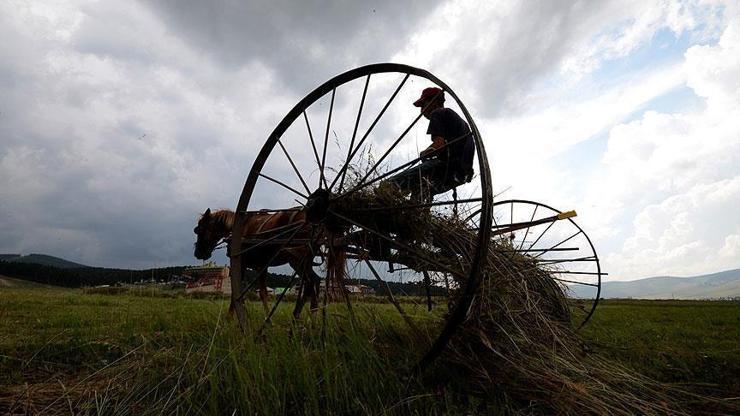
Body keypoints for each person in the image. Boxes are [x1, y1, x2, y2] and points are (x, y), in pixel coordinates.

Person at [387, 87, 475, 200]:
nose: (422, 111)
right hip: (461, 174)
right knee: (421, 192)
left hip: (444, 165)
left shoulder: (438, 113)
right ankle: (416, 212)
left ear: (433, 102)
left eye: (423, 105)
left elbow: (439, 144)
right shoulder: (461, 123)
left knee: (388, 185)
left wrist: (425, 153)